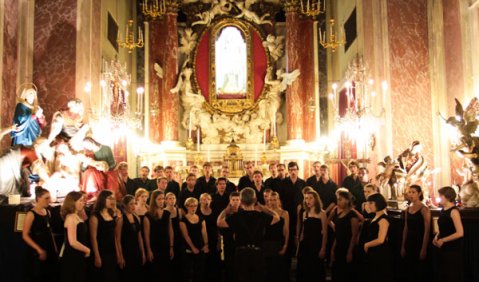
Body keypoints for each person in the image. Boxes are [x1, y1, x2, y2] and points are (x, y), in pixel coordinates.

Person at [217, 188, 280, 282]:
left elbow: (219, 222)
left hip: (241, 253)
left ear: (241, 201)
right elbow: (277, 217)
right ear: (255, 200)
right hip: (258, 253)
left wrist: (226, 210)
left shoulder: (236, 217)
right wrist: (264, 208)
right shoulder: (261, 216)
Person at [22, 186, 58, 282]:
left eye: (49, 198)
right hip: (37, 247)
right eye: (46, 198)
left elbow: (50, 231)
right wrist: (39, 249)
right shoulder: (31, 214)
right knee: (39, 274)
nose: (49, 200)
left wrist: (54, 247)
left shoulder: (48, 212)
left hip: (48, 246)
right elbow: (25, 235)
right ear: (38, 198)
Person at [432, 186, 464, 282]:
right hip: (443, 247)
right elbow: (443, 229)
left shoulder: (454, 211)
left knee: (451, 275)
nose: (439, 197)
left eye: (440, 195)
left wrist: (443, 240)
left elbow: (460, 233)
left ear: (448, 197)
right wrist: (436, 236)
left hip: (452, 249)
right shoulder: (443, 210)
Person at [401, 185, 431, 282]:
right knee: (409, 270)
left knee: (420, 271)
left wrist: (424, 248)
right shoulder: (407, 209)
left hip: (419, 241)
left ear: (419, 194)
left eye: (413, 192)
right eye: (409, 192)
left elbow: (427, 230)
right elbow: (406, 228)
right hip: (409, 242)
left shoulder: (424, 209)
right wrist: (402, 246)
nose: (411, 194)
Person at [296, 190, 328, 282]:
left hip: (316, 245)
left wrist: (323, 248)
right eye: (306, 198)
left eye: (310, 198)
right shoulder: (304, 213)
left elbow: (325, 233)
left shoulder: (322, 213)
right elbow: (303, 230)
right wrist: (299, 243)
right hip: (305, 246)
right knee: (304, 270)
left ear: (316, 199)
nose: (308, 200)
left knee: (316, 270)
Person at [89, 190, 119, 282]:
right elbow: (93, 238)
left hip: (111, 250)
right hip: (102, 251)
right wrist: (97, 256)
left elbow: (114, 235)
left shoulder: (111, 214)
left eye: (113, 199)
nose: (112, 201)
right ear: (102, 199)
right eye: (110, 198)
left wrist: (118, 253)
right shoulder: (95, 216)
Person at [60, 191, 90, 282]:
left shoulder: (76, 216)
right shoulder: (71, 218)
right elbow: (72, 242)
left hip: (78, 255)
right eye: (80, 201)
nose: (83, 203)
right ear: (73, 202)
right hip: (72, 256)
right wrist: (87, 249)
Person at [143, 190, 174, 280]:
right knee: (154, 273)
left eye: (163, 199)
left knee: (165, 272)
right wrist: (148, 250)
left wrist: (171, 247)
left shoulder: (167, 213)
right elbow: (146, 234)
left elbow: (170, 230)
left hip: (165, 246)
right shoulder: (148, 215)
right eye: (159, 199)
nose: (161, 201)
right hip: (154, 247)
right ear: (154, 200)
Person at [331, 190, 359, 282]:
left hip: (347, 247)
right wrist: (332, 249)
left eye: (340, 200)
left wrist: (350, 251)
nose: (338, 202)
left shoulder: (352, 215)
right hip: (339, 247)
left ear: (347, 200)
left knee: (346, 274)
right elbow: (337, 234)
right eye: (337, 200)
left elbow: (354, 235)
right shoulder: (339, 214)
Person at [280, 162, 305, 266]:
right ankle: (287, 259)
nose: (293, 172)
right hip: (287, 213)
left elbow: (305, 198)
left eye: (294, 169)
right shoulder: (284, 182)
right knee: (287, 234)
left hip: (299, 214)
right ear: (288, 171)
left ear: (297, 170)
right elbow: (280, 199)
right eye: (290, 170)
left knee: (298, 235)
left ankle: (299, 257)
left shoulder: (303, 182)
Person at [364, 193, 393, 282]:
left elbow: (381, 240)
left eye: (371, 203)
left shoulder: (383, 219)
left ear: (378, 203)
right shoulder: (376, 216)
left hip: (380, 253)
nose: (368, 205)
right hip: (374, 251)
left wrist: (367, 245)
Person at [116, 195, 146, 281]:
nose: (133, 206)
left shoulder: (137, 218)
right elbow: (117, 239)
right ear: (125, 205)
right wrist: (120, 256)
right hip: (126, 251)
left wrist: (143, 253)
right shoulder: (121, 219)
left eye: (134, 204)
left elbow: (139, 237)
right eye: (131, 204)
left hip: (136, 250)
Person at [180, 197, 209, 282]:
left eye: (195, 206)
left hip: (200, 246)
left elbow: (204, 232)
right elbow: (186, 236)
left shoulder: (201, 218)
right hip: (188, 248)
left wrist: (206, 245)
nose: (193, 208)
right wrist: (192, 248)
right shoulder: (183, 220)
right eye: (191, 206)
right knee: (189, 272)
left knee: (199, 271)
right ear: (187, 207)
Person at [264, 191, 289, 282]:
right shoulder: (266, 212)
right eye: (270, 200)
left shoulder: (284, 213)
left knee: (278, 268)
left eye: (274, 200)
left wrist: (285, 245)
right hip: (266, 243)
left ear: (278, 200)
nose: (272, 202)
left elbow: (286, 230)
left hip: (279, 242)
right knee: (268, 269)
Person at [219, 191, 241, 282]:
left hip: (240, 244)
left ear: (240, 201)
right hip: (228, 242)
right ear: (230, 201)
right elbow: (219, 224)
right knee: (229, 265)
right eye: (233, 200)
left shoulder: (243, 212)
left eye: (237, 200)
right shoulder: (225, 212)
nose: (235, 202)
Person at [199, 193, 221, 282]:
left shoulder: (215, 212)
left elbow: (218, 228)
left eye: (208, 199)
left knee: (213, 262)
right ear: (200, 201)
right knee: (203, 264)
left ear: (211, 201)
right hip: (201, 241)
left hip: (213, 239)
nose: (206, 201)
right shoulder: (197, 212)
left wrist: (219, 242)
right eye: (203, 199)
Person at [165, 192, 184, 281]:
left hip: (178, 238)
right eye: (170, 198)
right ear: (166, 200)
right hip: (167, 238)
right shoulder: (164, 211)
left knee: (179, 259)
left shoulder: (179, 211)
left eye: (174, 198)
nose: (172, 200)